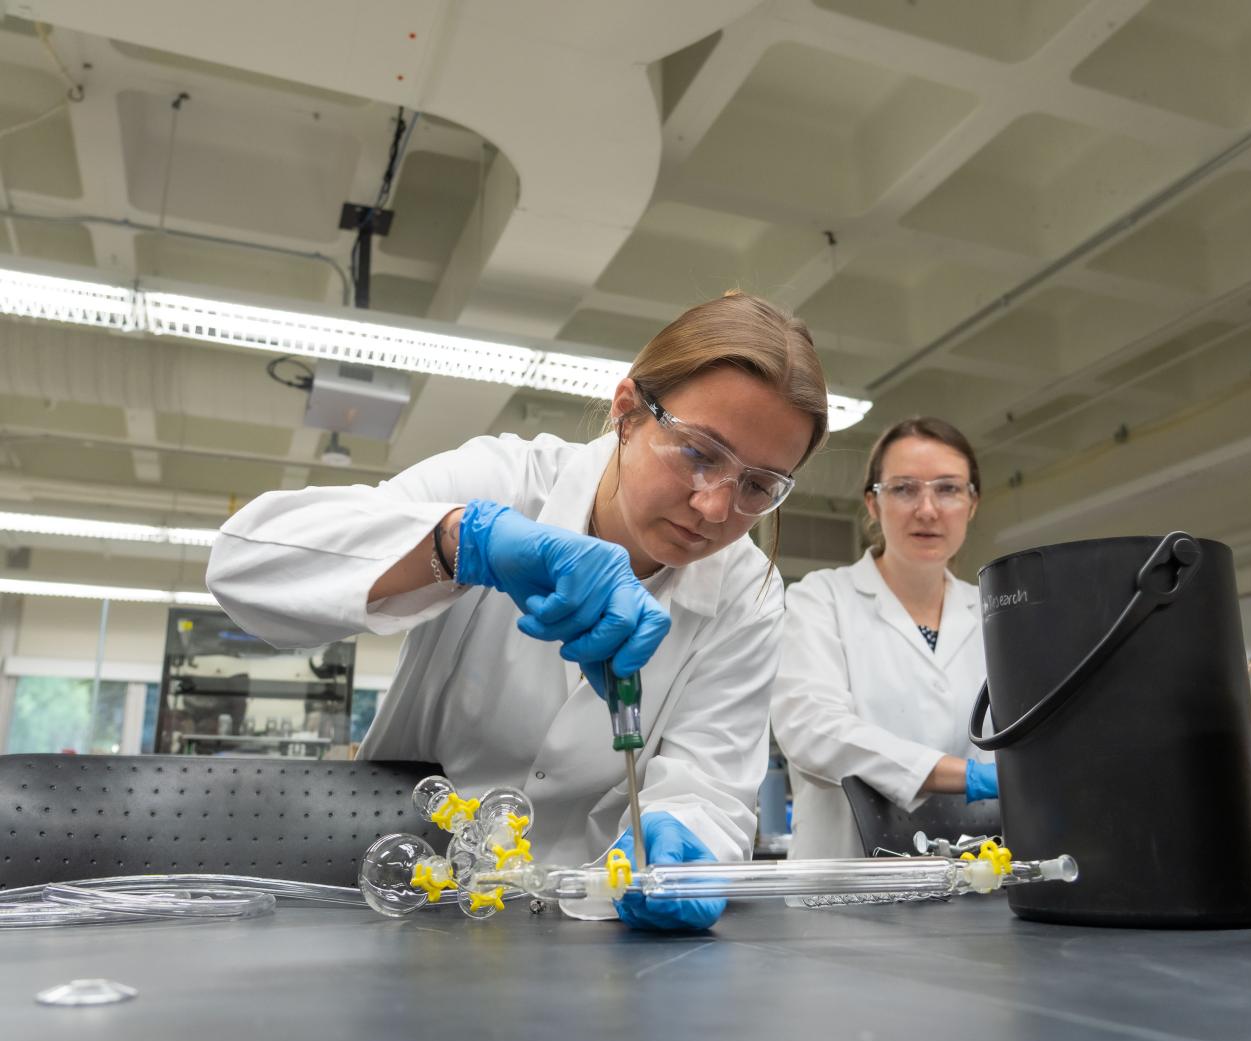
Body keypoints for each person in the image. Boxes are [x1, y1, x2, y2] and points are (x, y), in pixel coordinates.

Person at [206, 292, 829, 929]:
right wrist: (461, 543)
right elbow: (242, 567)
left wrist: (676, 837)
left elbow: (710, 784)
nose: (715, 508)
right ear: (628, 413)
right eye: (699, 454)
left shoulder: (745, 589)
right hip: (396, 893)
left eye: (757, 486)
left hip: (576, 923)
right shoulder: (504, 479)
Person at [770, 417, 995, 859]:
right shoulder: (821, 598)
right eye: (904, 488)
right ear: (872, 504)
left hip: (978, 878)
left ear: (971, 503)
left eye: (948, 489)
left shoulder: (994, 611)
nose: (927, 509)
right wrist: (965, 776)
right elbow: (811, 728)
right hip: (846, 885)